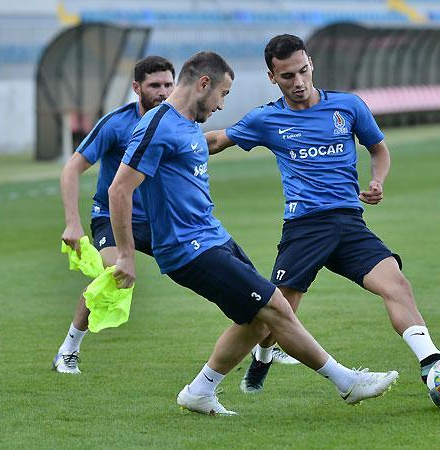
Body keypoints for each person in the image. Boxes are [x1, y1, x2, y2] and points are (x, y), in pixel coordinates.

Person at [108, 51, 399, 416]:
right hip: (187, 247)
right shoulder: (158, 125)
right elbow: (119, 189)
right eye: (223, 94)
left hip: (214, 237)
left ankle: (200, 391)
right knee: (275, 307)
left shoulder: (187, 124)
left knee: (258, 321)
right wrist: (125, 255)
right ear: (204, 84)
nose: (221, 104)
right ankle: (348, 382)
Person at [205, 34, 440, 394]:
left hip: (350, 224)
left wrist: (377, 180)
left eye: (303, 71)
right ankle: (261, 357)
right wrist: (167, 141)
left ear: (311, 64)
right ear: (272, 78)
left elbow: (379, 149)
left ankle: (431, 361)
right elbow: (217, 141)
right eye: (288, 76)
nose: (299, 82)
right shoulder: (267, 118)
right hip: (305, 228)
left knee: (397, 284)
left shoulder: (348, 106)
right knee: (275, 314)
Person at [52, 56, 175, 374]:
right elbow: (71, 169)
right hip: (110, 215)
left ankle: (264, 340)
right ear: (137, 87)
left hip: (157, 219)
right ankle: (68, 350)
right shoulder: (116, 123)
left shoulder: (177, 121)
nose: (163, 92)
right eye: (155, 85)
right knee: (113, 272)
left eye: (168, 84)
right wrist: (73, 223)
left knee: (208, 267)